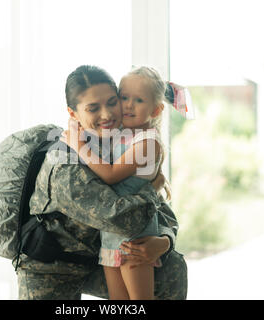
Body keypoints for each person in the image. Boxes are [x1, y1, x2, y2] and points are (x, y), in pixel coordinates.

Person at [16, 65, 187, 300]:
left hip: (96, 256)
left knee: (171, 268)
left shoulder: (120, 140)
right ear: (73, 113)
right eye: (93, 108)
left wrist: (164, 241)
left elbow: (160, 211)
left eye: (112, 102)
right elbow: (120, 216)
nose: (107, 115)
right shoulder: (66, 160)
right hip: (53, 267)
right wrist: (153, 187)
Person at [63, 66, 182, 300]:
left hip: (134, 238)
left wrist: (79, 147)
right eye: (124, 97)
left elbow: (110, 174)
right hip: (111, 239)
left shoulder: (146, 141)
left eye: (138, 100)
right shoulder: (120, 134)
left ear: (156, 110)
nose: (127, 106)